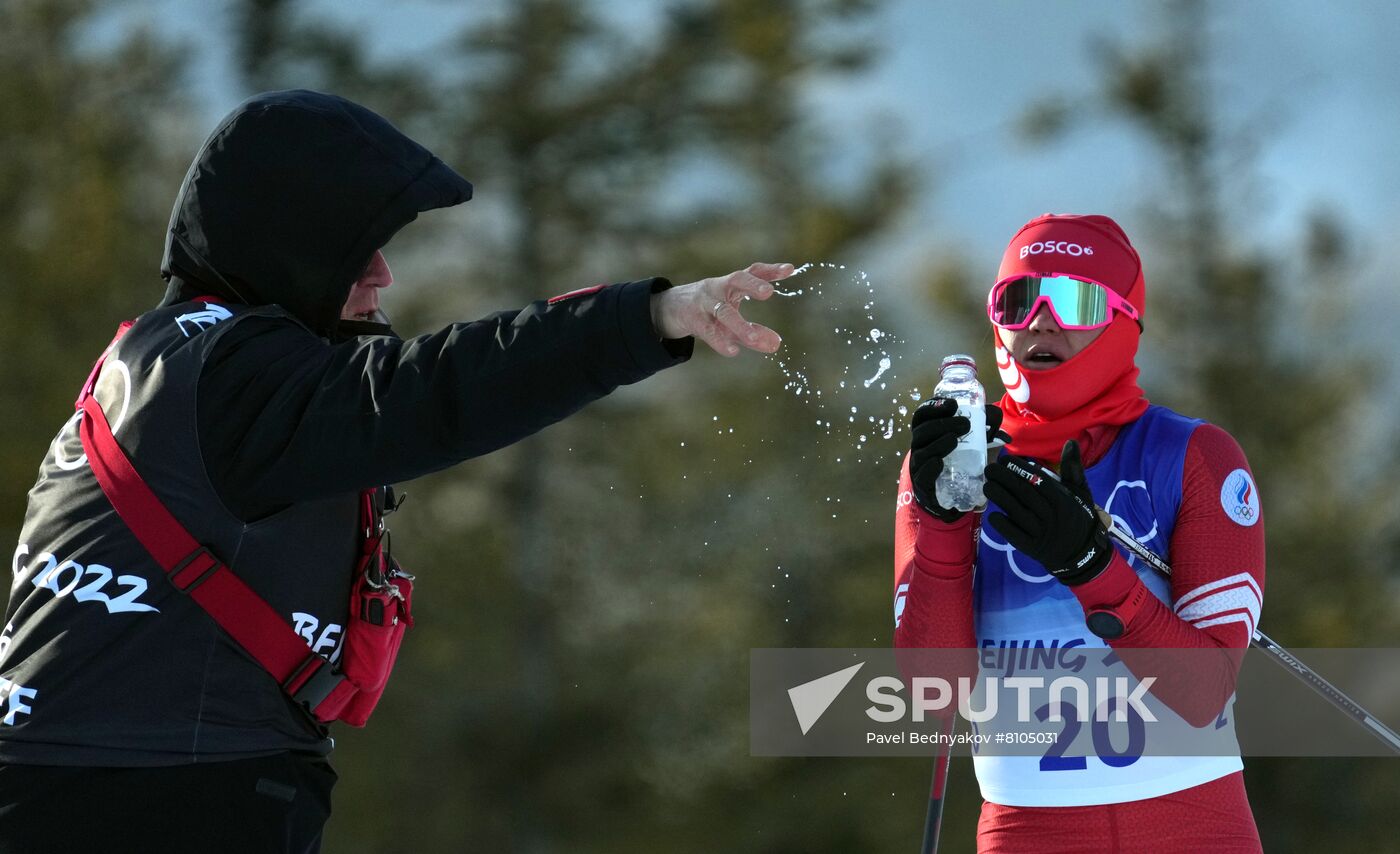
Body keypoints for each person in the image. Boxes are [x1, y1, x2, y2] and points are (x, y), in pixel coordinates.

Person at [0, 89, 790, 853]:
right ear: (289, 243)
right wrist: (648, 316)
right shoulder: (232, 378)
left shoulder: (175, 357)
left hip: (117, 788)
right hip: (153, 802)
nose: (382, 274)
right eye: (354, 248)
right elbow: (438, 391)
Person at [893, 213, 1265, 853]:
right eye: (1017, 300)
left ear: (1124, 319)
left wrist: (1094, 569)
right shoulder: (955, 461)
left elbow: (1204, 693)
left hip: (1193, 828)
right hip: (1026, 831)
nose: (1040, 321)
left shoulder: (1194, 456)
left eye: (1074, 301)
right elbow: (934, 699)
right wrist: (945, 527)